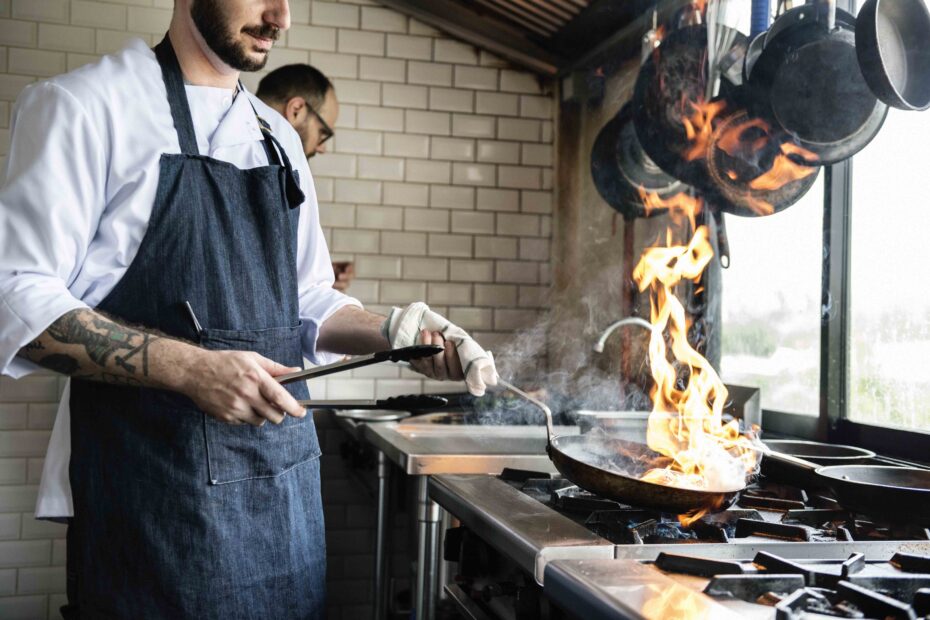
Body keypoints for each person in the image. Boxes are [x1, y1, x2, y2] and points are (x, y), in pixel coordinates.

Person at [0, 1, 496, 618]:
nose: (280, 17)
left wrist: (396, 331)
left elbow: (306, 298)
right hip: (152, 509)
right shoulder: (85, 107)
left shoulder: (278, 138)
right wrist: (191, 370)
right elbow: (15, 298)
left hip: (281, 507)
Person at [257, 63, 354, 291]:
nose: (322, 148)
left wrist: (312, 277)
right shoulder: (263, 169)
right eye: (323, 133)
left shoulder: (282, 169)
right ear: (296, 110)